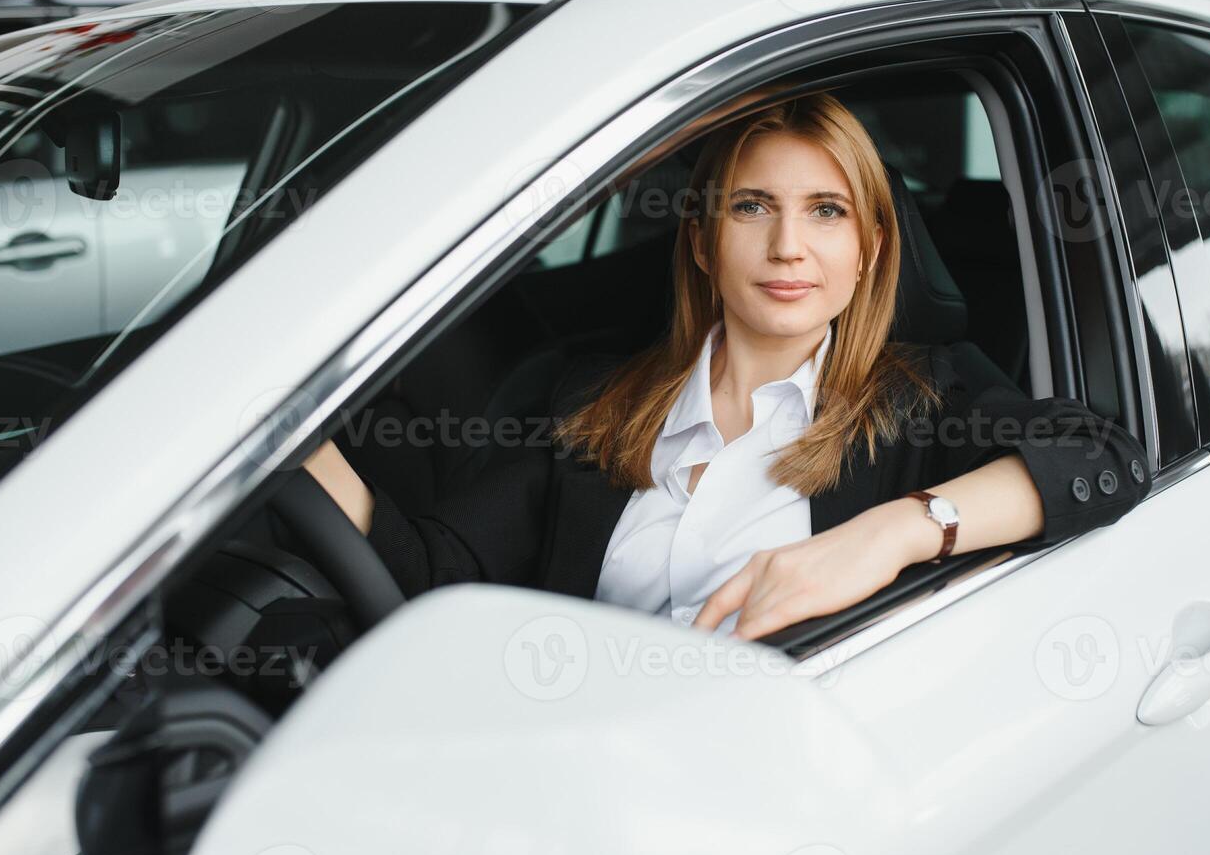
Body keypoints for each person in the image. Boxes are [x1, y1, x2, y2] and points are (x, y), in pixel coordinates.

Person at [302, 92, 1150, 640]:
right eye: (753, 208)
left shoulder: (923, 398)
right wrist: (282, 432)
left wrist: (889, 534)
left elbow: (1108, 460)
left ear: (868, 252)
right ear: (704, 242)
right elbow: (434, 579)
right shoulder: (594, 404)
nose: (788, 246)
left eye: (826, 212)